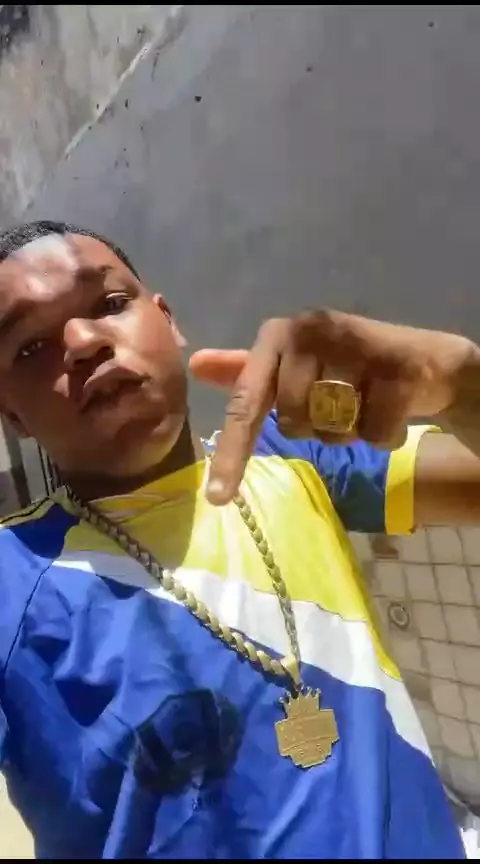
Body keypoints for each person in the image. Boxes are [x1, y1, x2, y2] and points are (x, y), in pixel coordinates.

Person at [0, 221, 479, 859]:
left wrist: (462, 385)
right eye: (31, 346)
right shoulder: (15, 577)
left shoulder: (295, 455)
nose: (84, 342)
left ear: (168, 321)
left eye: (110, 303)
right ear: (10, 413)